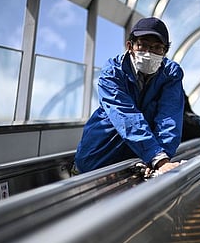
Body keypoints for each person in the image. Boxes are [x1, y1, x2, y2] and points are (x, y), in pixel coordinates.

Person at [73, 17, 184, 175]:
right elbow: (125, 116)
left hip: (138, 159)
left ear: (165, 52)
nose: (149, 52)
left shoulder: (170, 74)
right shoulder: (113, 72)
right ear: (130, 46)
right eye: (143, 45)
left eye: (157, 47)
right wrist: (157, 157)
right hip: (99, 157)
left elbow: (169, 117)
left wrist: (159, 157)